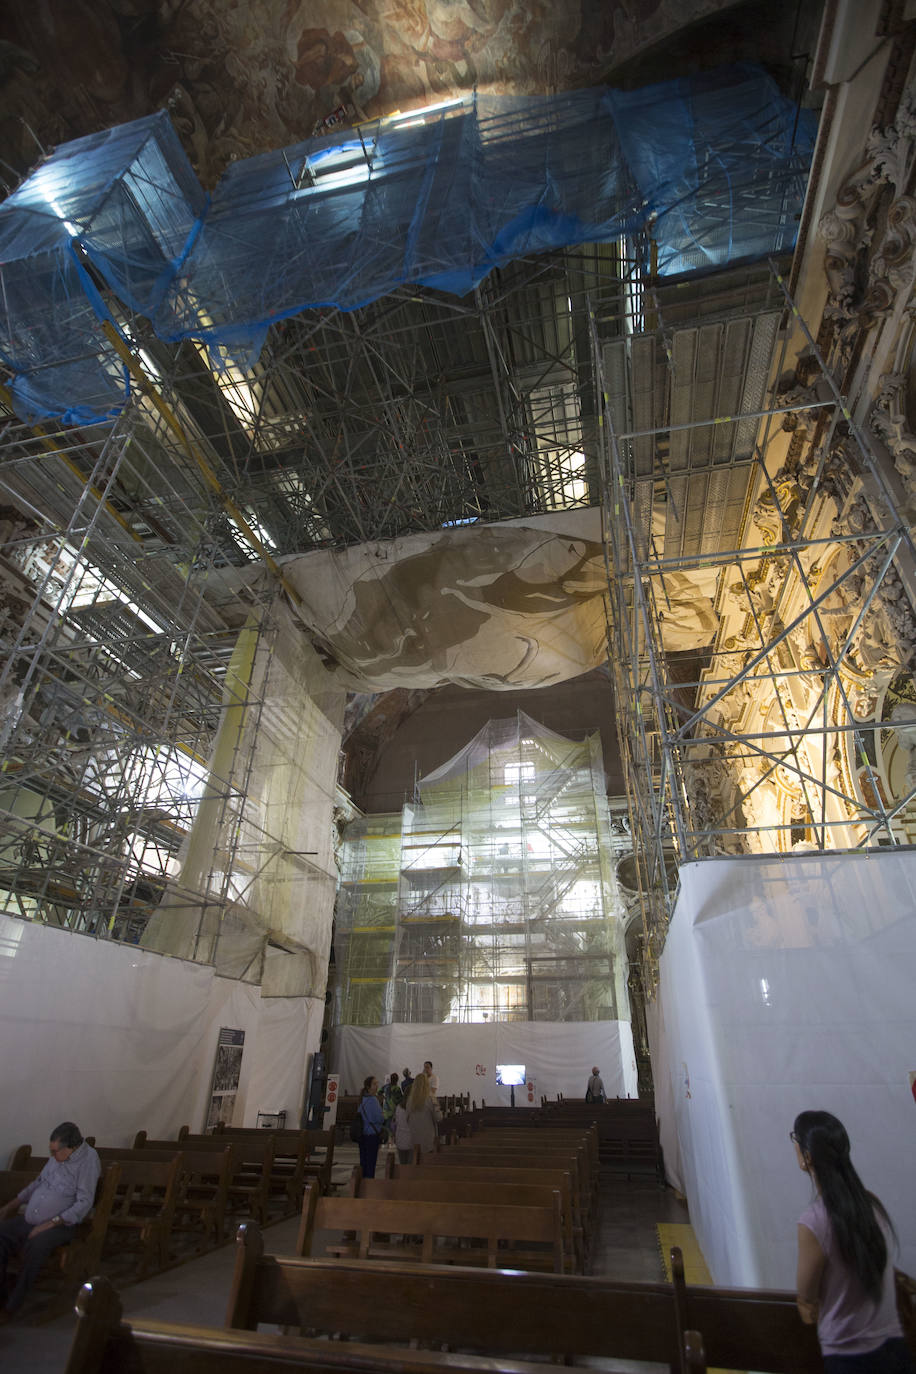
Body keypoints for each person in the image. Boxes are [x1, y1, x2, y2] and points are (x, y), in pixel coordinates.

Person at [792, 1110, 914, 1372]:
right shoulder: (871, 1205)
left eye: (795, 1140)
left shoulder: (813, 1221)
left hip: (847, 1357)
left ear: (807, 1157)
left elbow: (806, 1298)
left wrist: (808, 1306)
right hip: (896, 1350)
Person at [0, 1122, 100, 1322]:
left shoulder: (88, 1161)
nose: (52, 1156)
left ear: (70, 1148)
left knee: (36, 1245)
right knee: (2, 1234)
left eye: (55, 1151)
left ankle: (12, 1306)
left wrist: (48, 1224)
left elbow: (83, 1203)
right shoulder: (57, 1158)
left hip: (62, 1224)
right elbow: (38, 1183)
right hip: (32, 1219)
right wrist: (10, 1206)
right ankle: (2, 1296)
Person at [406, 1072, 441, 1157]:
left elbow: (407, 1118)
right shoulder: (431, 1098)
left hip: (413, 1138)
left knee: (414, 1165)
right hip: (427, 1139)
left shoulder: (410, 1099)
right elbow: (438, 1118)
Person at [357, 1076, 384, 1179]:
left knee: (363, 1162)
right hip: (371, 1135)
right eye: (374, 1084)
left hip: (362, 1135)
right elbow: (379, 1118)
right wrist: (382, 1116)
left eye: (377, 1084)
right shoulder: (373, 1100)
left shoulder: (362, 1099)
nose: (377, 1086)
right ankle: (369, 1185)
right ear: (368, 1087)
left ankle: (362, 1184)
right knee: (371, 1163)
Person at [392, 1096, 413, 1165]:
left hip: (400, 1139)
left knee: (403, 1163)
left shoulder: (398, 1107)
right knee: (410, 1165)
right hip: (411, 1140)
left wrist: (394, 1135)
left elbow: (394, 1123)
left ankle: (403, 1174)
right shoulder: (414, 1108)